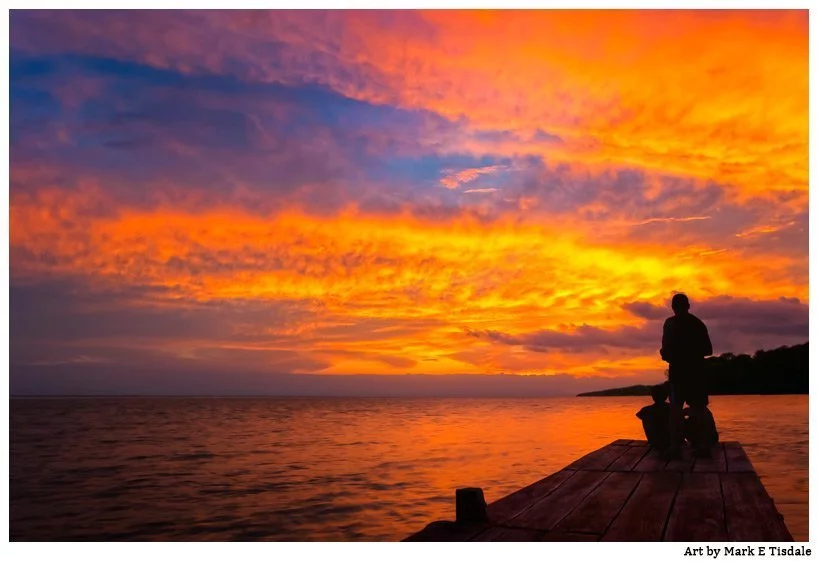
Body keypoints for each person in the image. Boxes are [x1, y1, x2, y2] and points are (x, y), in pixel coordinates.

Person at [660, 293, 713, 459]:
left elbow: (666, 352)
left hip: (680, 374)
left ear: (673, 307)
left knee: (676, 410)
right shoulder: (698, 324)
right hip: (696, 373)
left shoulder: (671, 324)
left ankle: (675, 447)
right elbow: (708, 350)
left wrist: (671, 353)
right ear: (688, 306)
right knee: (699, 409)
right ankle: (703, 445)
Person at [636, 382, 671, 450]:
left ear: (653, 397)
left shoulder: (646, 410)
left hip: (654, 442)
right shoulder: (672, 408)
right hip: (669, 441)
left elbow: (638, 415)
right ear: (666, 396)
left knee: (646, 417)